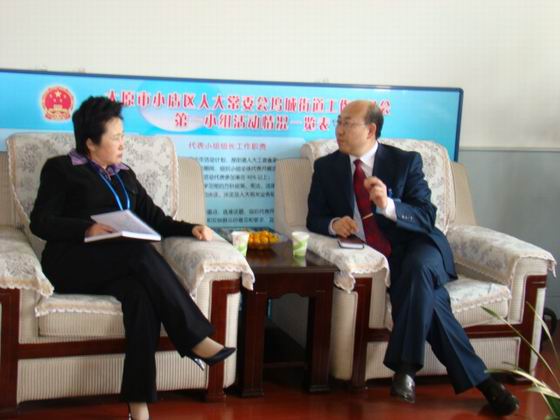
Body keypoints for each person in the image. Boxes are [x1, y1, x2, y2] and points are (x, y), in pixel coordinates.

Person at [306, 99, 519, 416]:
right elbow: (314, 217)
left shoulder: (404, 162)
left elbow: (426, 216)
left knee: (417, 268)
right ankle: (485, 383)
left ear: (371, 130)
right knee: (430, 298)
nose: (338, 129)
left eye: (347, 123)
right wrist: (334, 224)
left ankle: (405, 367)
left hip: (421, 247)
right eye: (338, 122)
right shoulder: (327, 167)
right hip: (383, 259)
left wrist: (388, 205)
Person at [30, 96, 235, 420]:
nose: (123, 143)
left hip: (118, 264)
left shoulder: (124, 175)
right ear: (90, 142)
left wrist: (191, 228)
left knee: (141, 296)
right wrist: (87, 228)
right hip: (70, 263)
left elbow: (155, 220)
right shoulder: (61, 169)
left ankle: (138, 402)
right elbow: (41, 222)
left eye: (122, 135)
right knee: (139, 252)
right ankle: (194, 336)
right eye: (115, 137)